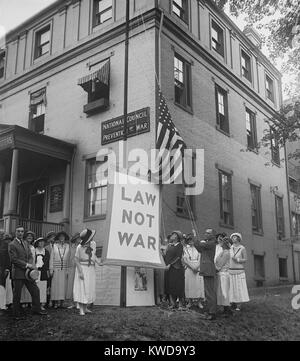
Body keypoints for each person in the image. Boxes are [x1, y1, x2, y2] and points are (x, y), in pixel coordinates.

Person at [8, 225, 46, 319]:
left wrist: (29, 265)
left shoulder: (25, 243)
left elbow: (30, 255)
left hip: (28, 273)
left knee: (35, 290)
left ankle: (36, 310)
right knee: (17, 294)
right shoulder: (12, 244)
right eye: (18, 231)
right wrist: (26, 265)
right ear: (15, 232)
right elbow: (14, 259)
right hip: (18, 273)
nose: (20, 233)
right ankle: (16, 314)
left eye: (22, 231)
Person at [73, 228, 100, 316]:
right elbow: (76, 259)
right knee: (82, 287)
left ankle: (85, 307)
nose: (92, 238)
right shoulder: (79, 247)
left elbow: (94, 255)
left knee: (89, 287)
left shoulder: (93, 244)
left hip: (91, 269)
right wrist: (80, 272)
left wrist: (98, 261)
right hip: (83, 268)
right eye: (91, 237)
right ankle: (81, 309)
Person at [194, 228, 217, 320]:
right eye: (205, 232)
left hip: (208, 269)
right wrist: (196, 240)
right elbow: (199, 248)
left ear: (212, 235)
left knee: (210, 292)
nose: (205, 234)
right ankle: (209, 310)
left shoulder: (211, 243)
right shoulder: (208, 244)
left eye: (208, 233)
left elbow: (199, 244)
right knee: (207, 292)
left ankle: (212, 312)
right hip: (206, 269)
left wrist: (195, 236)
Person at [182, 234, 205, 309]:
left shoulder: (198, 248)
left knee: (198, 285)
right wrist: (192, 267)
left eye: (192, 240)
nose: (190, 241)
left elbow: (200, 258)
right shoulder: (185, 249)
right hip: (189, 268)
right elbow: (185, 259)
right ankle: (190, 301)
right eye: (189, 240)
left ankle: (199, 301)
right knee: (189, 285)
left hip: (197, 268)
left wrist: (197, 267)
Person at [164, 231, 185, 311]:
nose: (172, 235)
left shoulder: (180, 245)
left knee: (178, 286)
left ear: (177, 237)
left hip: (176, 268)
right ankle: (172, 304)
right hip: (169, 268)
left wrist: (170, 264)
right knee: (170, 286)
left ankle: (180, 304)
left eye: (174, 234)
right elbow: (166, 256)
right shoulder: (169, 245)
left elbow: (178, 257)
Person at [229, 233, 250, 311]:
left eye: (234, 237)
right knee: (231, 288)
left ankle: (239, 305)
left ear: (238, 238)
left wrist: (237, 260)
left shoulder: (242, 248)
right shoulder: (230, 248)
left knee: (239, 288)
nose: (233, 238)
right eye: (232, 237)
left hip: (239, 271)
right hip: (230, 270)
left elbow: (245, 259)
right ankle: (231, 302)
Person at [50, 231, 70, 308]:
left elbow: (68, 258)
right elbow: (51, 258)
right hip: (56, 268)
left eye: (63, 237)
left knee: (63, 285)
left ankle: (61, 302)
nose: (62, 238)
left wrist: (68, 269)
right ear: (58, 238)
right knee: (55, 285)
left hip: (64, 268)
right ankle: (55, 302)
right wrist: (51, 269)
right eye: (60, 236)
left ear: (65, 238)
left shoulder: (67, 246)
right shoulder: (54, 246)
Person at [215, 236, 232, 315]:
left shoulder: (226, 253)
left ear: (225, 244)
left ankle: (227, 309)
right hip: (221, 274)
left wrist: (214, 267)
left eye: (222, 241)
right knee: (221, 291)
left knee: (224, 291)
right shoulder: (222, 252)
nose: (220, 242)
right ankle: (225, 309)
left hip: (224, 274)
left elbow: (220, 264)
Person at [20, 231, 36, 307]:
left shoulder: (33, 247)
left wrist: (33, 267)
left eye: (31, 236)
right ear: (25, 237)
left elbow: (34, 258)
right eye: (28, 236)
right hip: (24, 266)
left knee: (31, 283)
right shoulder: (23, 246)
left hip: (31, 268)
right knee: (23, 285)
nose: (30, 237)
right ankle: (23, 301)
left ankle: (29, 301)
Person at [34, 237, 50, 311]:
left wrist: (47, 271)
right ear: (37, 243)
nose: (41, 243)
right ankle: (34, 303)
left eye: (43, 242)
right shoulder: (34, 251)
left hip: (43, 271)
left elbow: (47, 263)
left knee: (43, 288)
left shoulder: (46, 252)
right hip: (35, 271)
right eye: (40, 242)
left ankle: (41, 304)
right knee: (35, 287)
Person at [66, 232, 81, 309]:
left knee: (78, 285)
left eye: (80, 238)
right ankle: (72, 302)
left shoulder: (81, 246)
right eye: (78, 238)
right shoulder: (70, 247)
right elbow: (68, 257)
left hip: (78, 267)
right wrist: (67, 269)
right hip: (71, 267)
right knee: (71, 285)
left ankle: (78, 302)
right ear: (75, 239)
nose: (79, 240)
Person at [0, 232, 13, 311]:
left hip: (8, 269)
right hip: (4, 269)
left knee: (8, 286)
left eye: (9, 239)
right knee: (3, 286)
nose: (8, 241)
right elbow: (4, 259)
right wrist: (6, 268)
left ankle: (7, 302)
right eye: (6, 239)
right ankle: (3, 303)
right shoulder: (3, 247)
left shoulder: (9, 247)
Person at [45, 231, 56, 307]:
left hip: (56, 268)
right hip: (48, 268)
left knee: (54, 285)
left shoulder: (56, 246)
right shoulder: (46, 247)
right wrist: (48, 269)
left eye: (54, 237)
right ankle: (47, 301)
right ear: (48, 238)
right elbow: (46, 260)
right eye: (51, 237)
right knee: (48, 285)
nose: (53, 239)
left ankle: (54, 301)